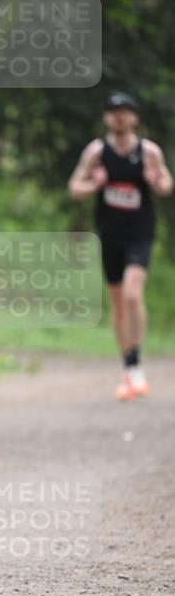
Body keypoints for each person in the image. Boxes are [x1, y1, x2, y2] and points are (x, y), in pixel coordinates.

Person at [68, 93, 173, 400]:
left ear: (134, 118)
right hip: (109, 234)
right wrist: (95, 185)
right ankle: (128, 368)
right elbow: (75, 187)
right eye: (114, 112)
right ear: (106, 118)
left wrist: (155, 181)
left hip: (140, 232)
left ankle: (135, 360)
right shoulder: (97, 152)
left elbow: (167, 184)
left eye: (125, 113)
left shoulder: (149, 151)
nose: (119, 118)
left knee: (132, 294)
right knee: (117, 303)